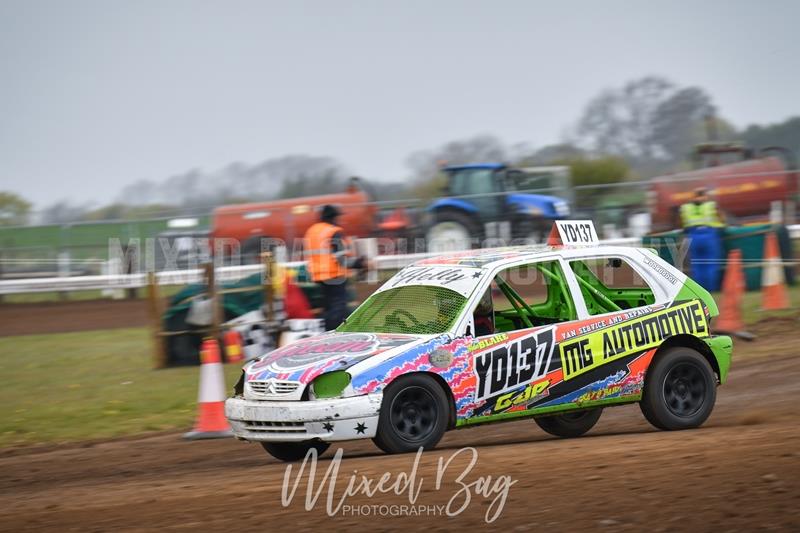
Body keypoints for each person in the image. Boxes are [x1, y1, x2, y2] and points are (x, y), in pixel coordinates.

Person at [304, 205, 367, 330]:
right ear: (334, 217)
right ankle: (333, 335)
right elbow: (341, 260)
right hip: (334, 275)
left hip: (318, 276)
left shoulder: (312, 231)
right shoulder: (333, 232)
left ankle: (325, 334)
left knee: (328, 308)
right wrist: (359, 264)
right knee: (337, 309)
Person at [680, 187, 725, 291]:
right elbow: (722, 219)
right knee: (710, 264)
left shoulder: (686, 208)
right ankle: (711, 289)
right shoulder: (711, 205)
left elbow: (681, 224)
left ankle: (700, 290)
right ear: (705, 196)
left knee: (697, 265)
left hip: (693, 236)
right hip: (709, 235)